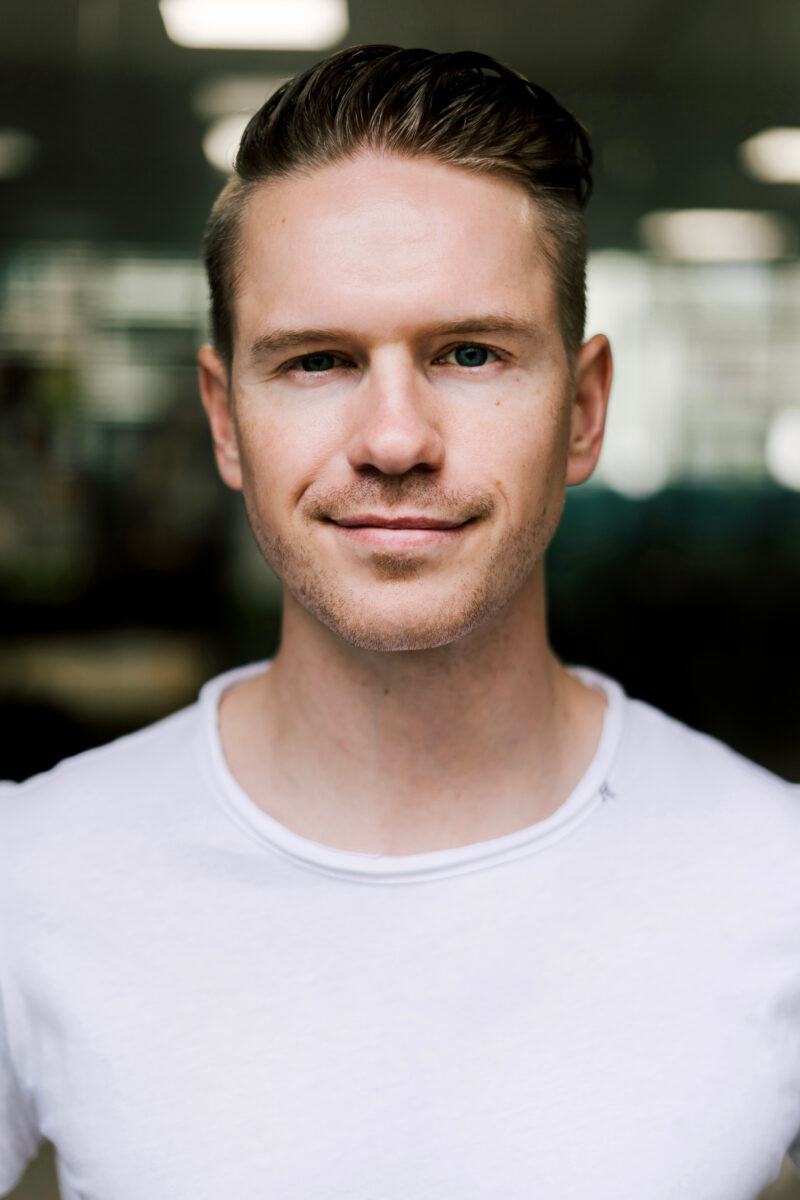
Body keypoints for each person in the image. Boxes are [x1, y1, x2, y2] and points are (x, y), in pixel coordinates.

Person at [1, 43, 798, 1200]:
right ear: (225, 420)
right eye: (317, 361)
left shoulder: (774, 879)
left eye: (468, 354)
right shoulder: (32, 872)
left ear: (581, 412)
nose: (392, 440)